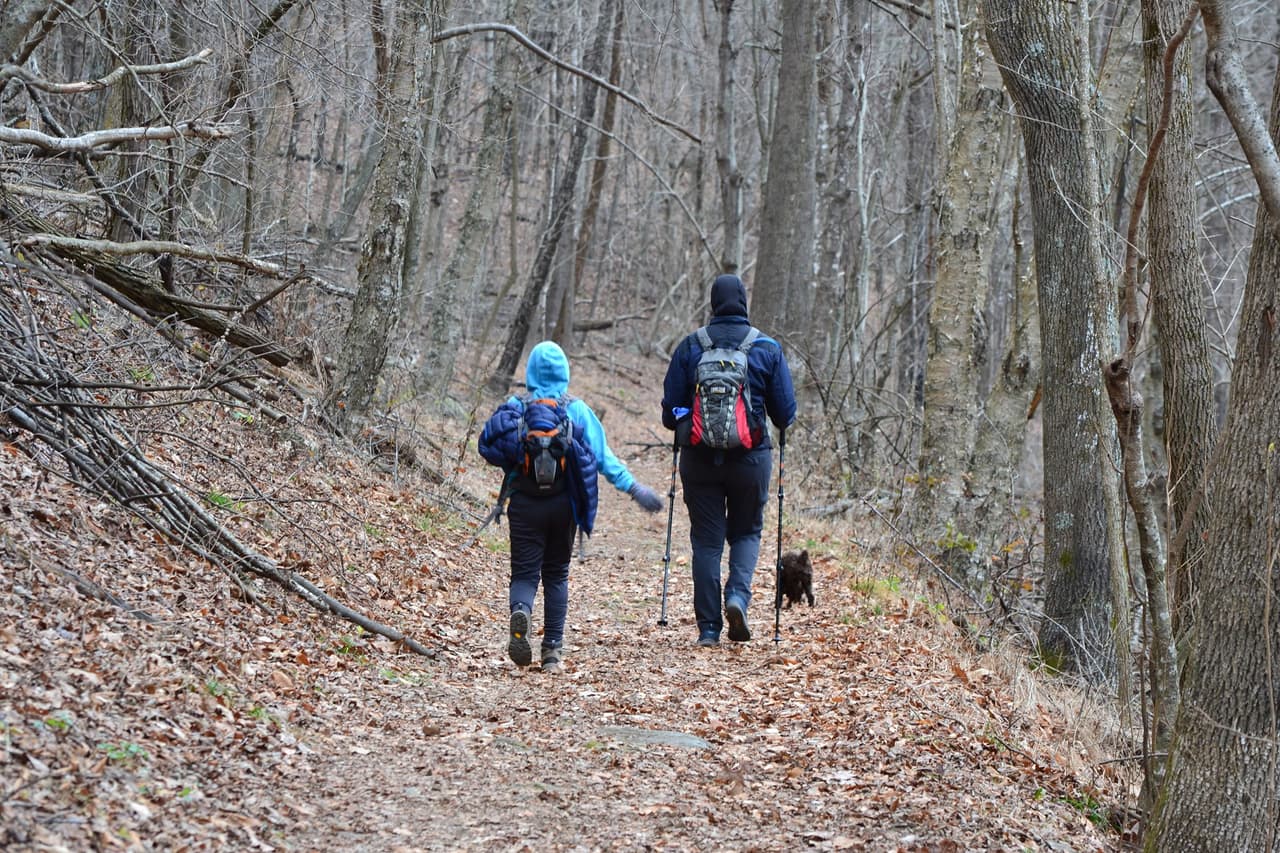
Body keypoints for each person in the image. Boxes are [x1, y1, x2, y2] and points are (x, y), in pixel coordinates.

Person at [479, 340, 663, 673]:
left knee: (524, 574)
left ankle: (521, 610)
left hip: (523, 503)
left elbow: (493, 446)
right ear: (565, 371)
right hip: (564, 505)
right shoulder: (576, 409)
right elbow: (603, 459)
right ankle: (552, 652)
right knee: (556, 575)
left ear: (531, 370)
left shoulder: (516, 405)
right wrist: (634, 489)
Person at [660, 274, 796, 647]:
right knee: (747, 532)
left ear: (713, 303)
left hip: (699, 460)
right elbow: (785, 415)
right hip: (751, 460)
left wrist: (689, 417)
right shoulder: (766, 349)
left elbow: (670, 415)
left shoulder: (691, 346)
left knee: (707, 542)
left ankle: (708, 628)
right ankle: (737, 597)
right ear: (744, 303)